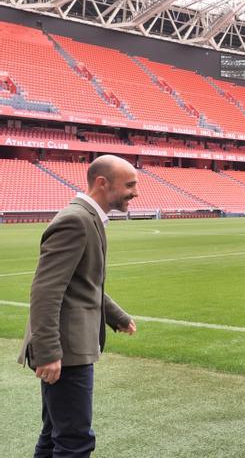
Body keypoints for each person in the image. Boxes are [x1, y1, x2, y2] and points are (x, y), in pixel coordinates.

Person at [18, 154, 139, 457]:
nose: (135, 192)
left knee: (53, 436)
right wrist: (47, 352)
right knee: (74, 441)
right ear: (102, 183)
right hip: (65, 351)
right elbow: (46, 289)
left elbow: (84, 283)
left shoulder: (87, 217)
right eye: (130, 185)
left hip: (69, 347)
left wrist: (117, 316)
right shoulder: (76, 220)